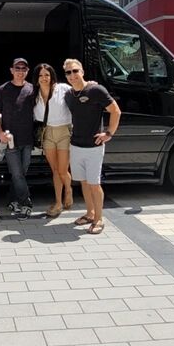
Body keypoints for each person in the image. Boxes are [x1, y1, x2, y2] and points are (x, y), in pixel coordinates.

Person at [63, 58, 121, 235]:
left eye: (75, 71)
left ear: (82, 71)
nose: (72, 75)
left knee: (94, 184)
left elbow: (116, 111)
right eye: (68, 72)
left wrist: (109, 134)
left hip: (94, 147)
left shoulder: (96, 90)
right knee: (84, 183)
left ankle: (99, 219)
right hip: (76, 145)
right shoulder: (68, 95)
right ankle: (90, 214)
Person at [0, 57, 35, 219]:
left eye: (24, 68)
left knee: (21, 173)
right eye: (17, 68)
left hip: (28, 140)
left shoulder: (32, 89)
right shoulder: (3, 90)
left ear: (27, 71)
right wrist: (0, 133)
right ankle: (26, 203)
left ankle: (12, 200)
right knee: (17, 174)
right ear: (11, 70)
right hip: (10, 141)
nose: (20, 71)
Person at [32, 62, 73, 218]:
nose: (44, 78)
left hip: (64, 132)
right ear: (36, 78)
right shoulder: (34, 95)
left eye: (47, 75)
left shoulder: (63, 89)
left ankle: (68, 191)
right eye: (41, 75)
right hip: (47, 132)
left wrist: (91, 84)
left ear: (52, 76)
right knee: (55, 170)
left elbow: (81, 90)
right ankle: (58, 202)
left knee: (62, 170)